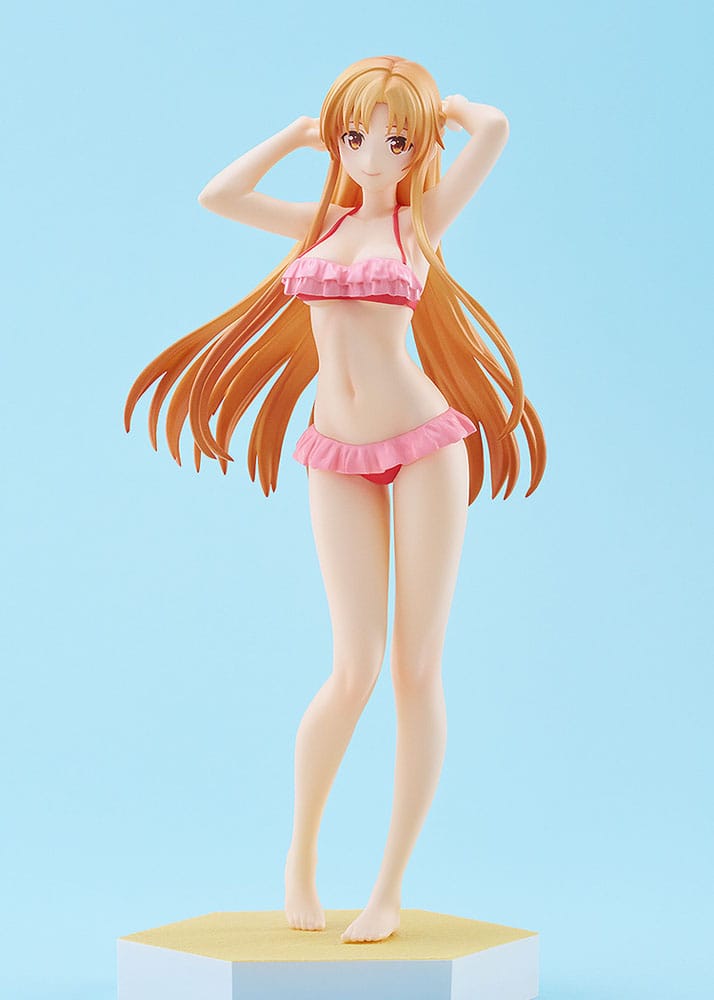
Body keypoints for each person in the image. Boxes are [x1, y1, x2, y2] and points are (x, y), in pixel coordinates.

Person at [124, 55, 546, 944]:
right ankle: (302, 857)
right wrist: (294, 135)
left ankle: (388, 887)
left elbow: (499, 129)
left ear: (418, 147)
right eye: (356, 136)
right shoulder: (323, 222)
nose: (372, 154)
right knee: (353, 666)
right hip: (335, 454)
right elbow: (218, 196)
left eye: (396, 140)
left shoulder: (422, 219)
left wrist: (455, 107)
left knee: (416, 669)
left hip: (424, 447)